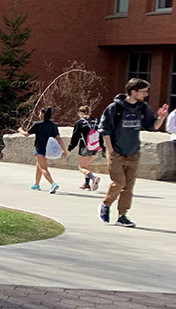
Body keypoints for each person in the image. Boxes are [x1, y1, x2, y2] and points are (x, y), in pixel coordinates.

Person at [97, 78, 170, 227]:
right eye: (143, 91)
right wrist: (111, 151)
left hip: (133, 153)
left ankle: (122, 216)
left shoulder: (142, 108)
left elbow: (152, 126)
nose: (146, 94)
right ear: (133, 91)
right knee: (119, 183)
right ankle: (106, 204)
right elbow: (105, 130)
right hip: (117, 152)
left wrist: (161, 118)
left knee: (128, 186)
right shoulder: (115, 108)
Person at [18, 107, 67, 193]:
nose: (39, 114)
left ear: (43, 114)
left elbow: (26, 134)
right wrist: (64, 149)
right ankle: (36, 184)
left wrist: (20, 130)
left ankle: (53, 184)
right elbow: (58, 138)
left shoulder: (37, 124)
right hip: (48, 149)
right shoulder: (53, 125)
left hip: (40, 149)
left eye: (40, 113)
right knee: (39, 165)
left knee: (43, 168)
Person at [67, 105, 101, 191]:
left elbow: (75, 137)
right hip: (95, 147)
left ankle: (93, 178)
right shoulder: (96, 121)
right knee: (86, 166)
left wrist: (70, 147)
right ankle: (86, 184)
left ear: (80, 113)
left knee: (81, 167)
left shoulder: (80, 123)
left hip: (85, 147)